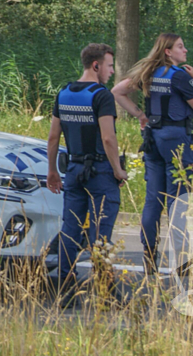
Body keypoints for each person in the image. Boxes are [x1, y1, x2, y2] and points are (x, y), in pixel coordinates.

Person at [112, 33, 193, 276]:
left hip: (152, 138)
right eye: (181, 47)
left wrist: (141, 115)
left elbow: (117, 91)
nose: (186, 51)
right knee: (178, 199)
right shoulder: (180, 76)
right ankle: (182, 261)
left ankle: (149, 257)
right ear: (168, 51)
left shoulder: (149, 74)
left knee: (153, 200)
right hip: (177, 139)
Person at [46, 43, 128, 297]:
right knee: (100, 232)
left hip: (73, 169)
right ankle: (105, 291)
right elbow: (108, 138)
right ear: (96, 65)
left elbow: (52, 137)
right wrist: (118, 170)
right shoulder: (101, 95)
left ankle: (63, 286)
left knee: (70, 228)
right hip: (100, 171)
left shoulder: (64, 92)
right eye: (110, 65)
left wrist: (52, 171)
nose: (112, 71)